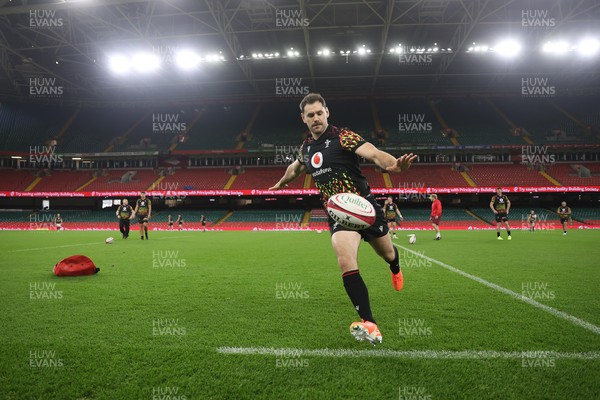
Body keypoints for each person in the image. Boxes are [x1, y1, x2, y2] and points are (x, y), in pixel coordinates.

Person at [269, 93, 417, 345]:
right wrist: (281, 182)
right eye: (310, 115)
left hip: (366, 208)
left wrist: (393, 166)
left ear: (327, 112)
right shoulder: (306, 148)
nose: (315, 118)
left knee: (387, 253)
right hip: (339, 214)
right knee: (345, 260)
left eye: (319, 113)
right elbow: (295, 167)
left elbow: (372, 153)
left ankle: (395, 268)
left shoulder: (343, 136)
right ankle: (370, 323)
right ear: (303, 119)